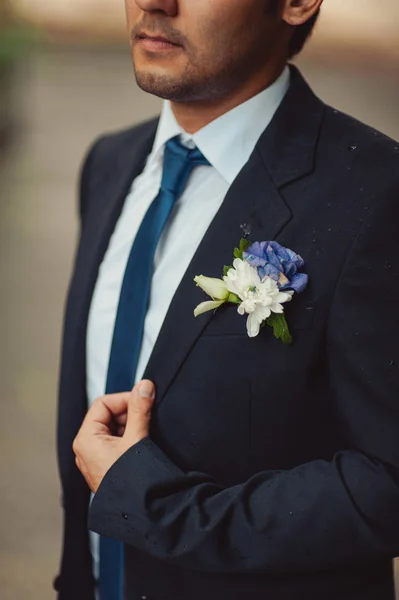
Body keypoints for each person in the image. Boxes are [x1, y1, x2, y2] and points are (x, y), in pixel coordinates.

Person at [55, 0, 399, 599]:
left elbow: (388, 482)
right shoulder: (108, 164)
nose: (153, 2)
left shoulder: (376, 195)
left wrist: (163, 509)